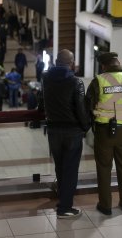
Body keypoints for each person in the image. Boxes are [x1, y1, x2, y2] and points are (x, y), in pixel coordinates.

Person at [86, 52, 122, 215]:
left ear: (104, 65)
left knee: (104, 168)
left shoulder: (98, 81)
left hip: (104, 131)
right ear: (118, 62)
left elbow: (88, 105)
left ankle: (105, 206)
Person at [39, 49, 90, 219]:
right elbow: (81, 109)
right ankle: (65, 208)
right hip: (72, 132)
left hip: (53, 130)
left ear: (55, 61)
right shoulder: (76, 82)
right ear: (72, 63)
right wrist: (86, 126)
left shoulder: (45, 78)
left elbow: (42, 101)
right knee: (70, 170)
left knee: (60, 168)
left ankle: (62, 199)